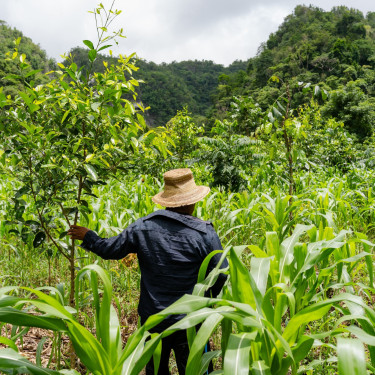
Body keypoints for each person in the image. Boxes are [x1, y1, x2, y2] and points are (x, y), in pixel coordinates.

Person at [67, 168, 228, 375]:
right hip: (191, 320)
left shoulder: (144, 227)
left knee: (155, 371)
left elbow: (110, 250)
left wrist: (89, 236)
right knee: (194, 370)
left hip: (154, 319)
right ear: (192, 201)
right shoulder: (204, 233)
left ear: (167, 200)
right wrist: (205, 301)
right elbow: (221, 273)